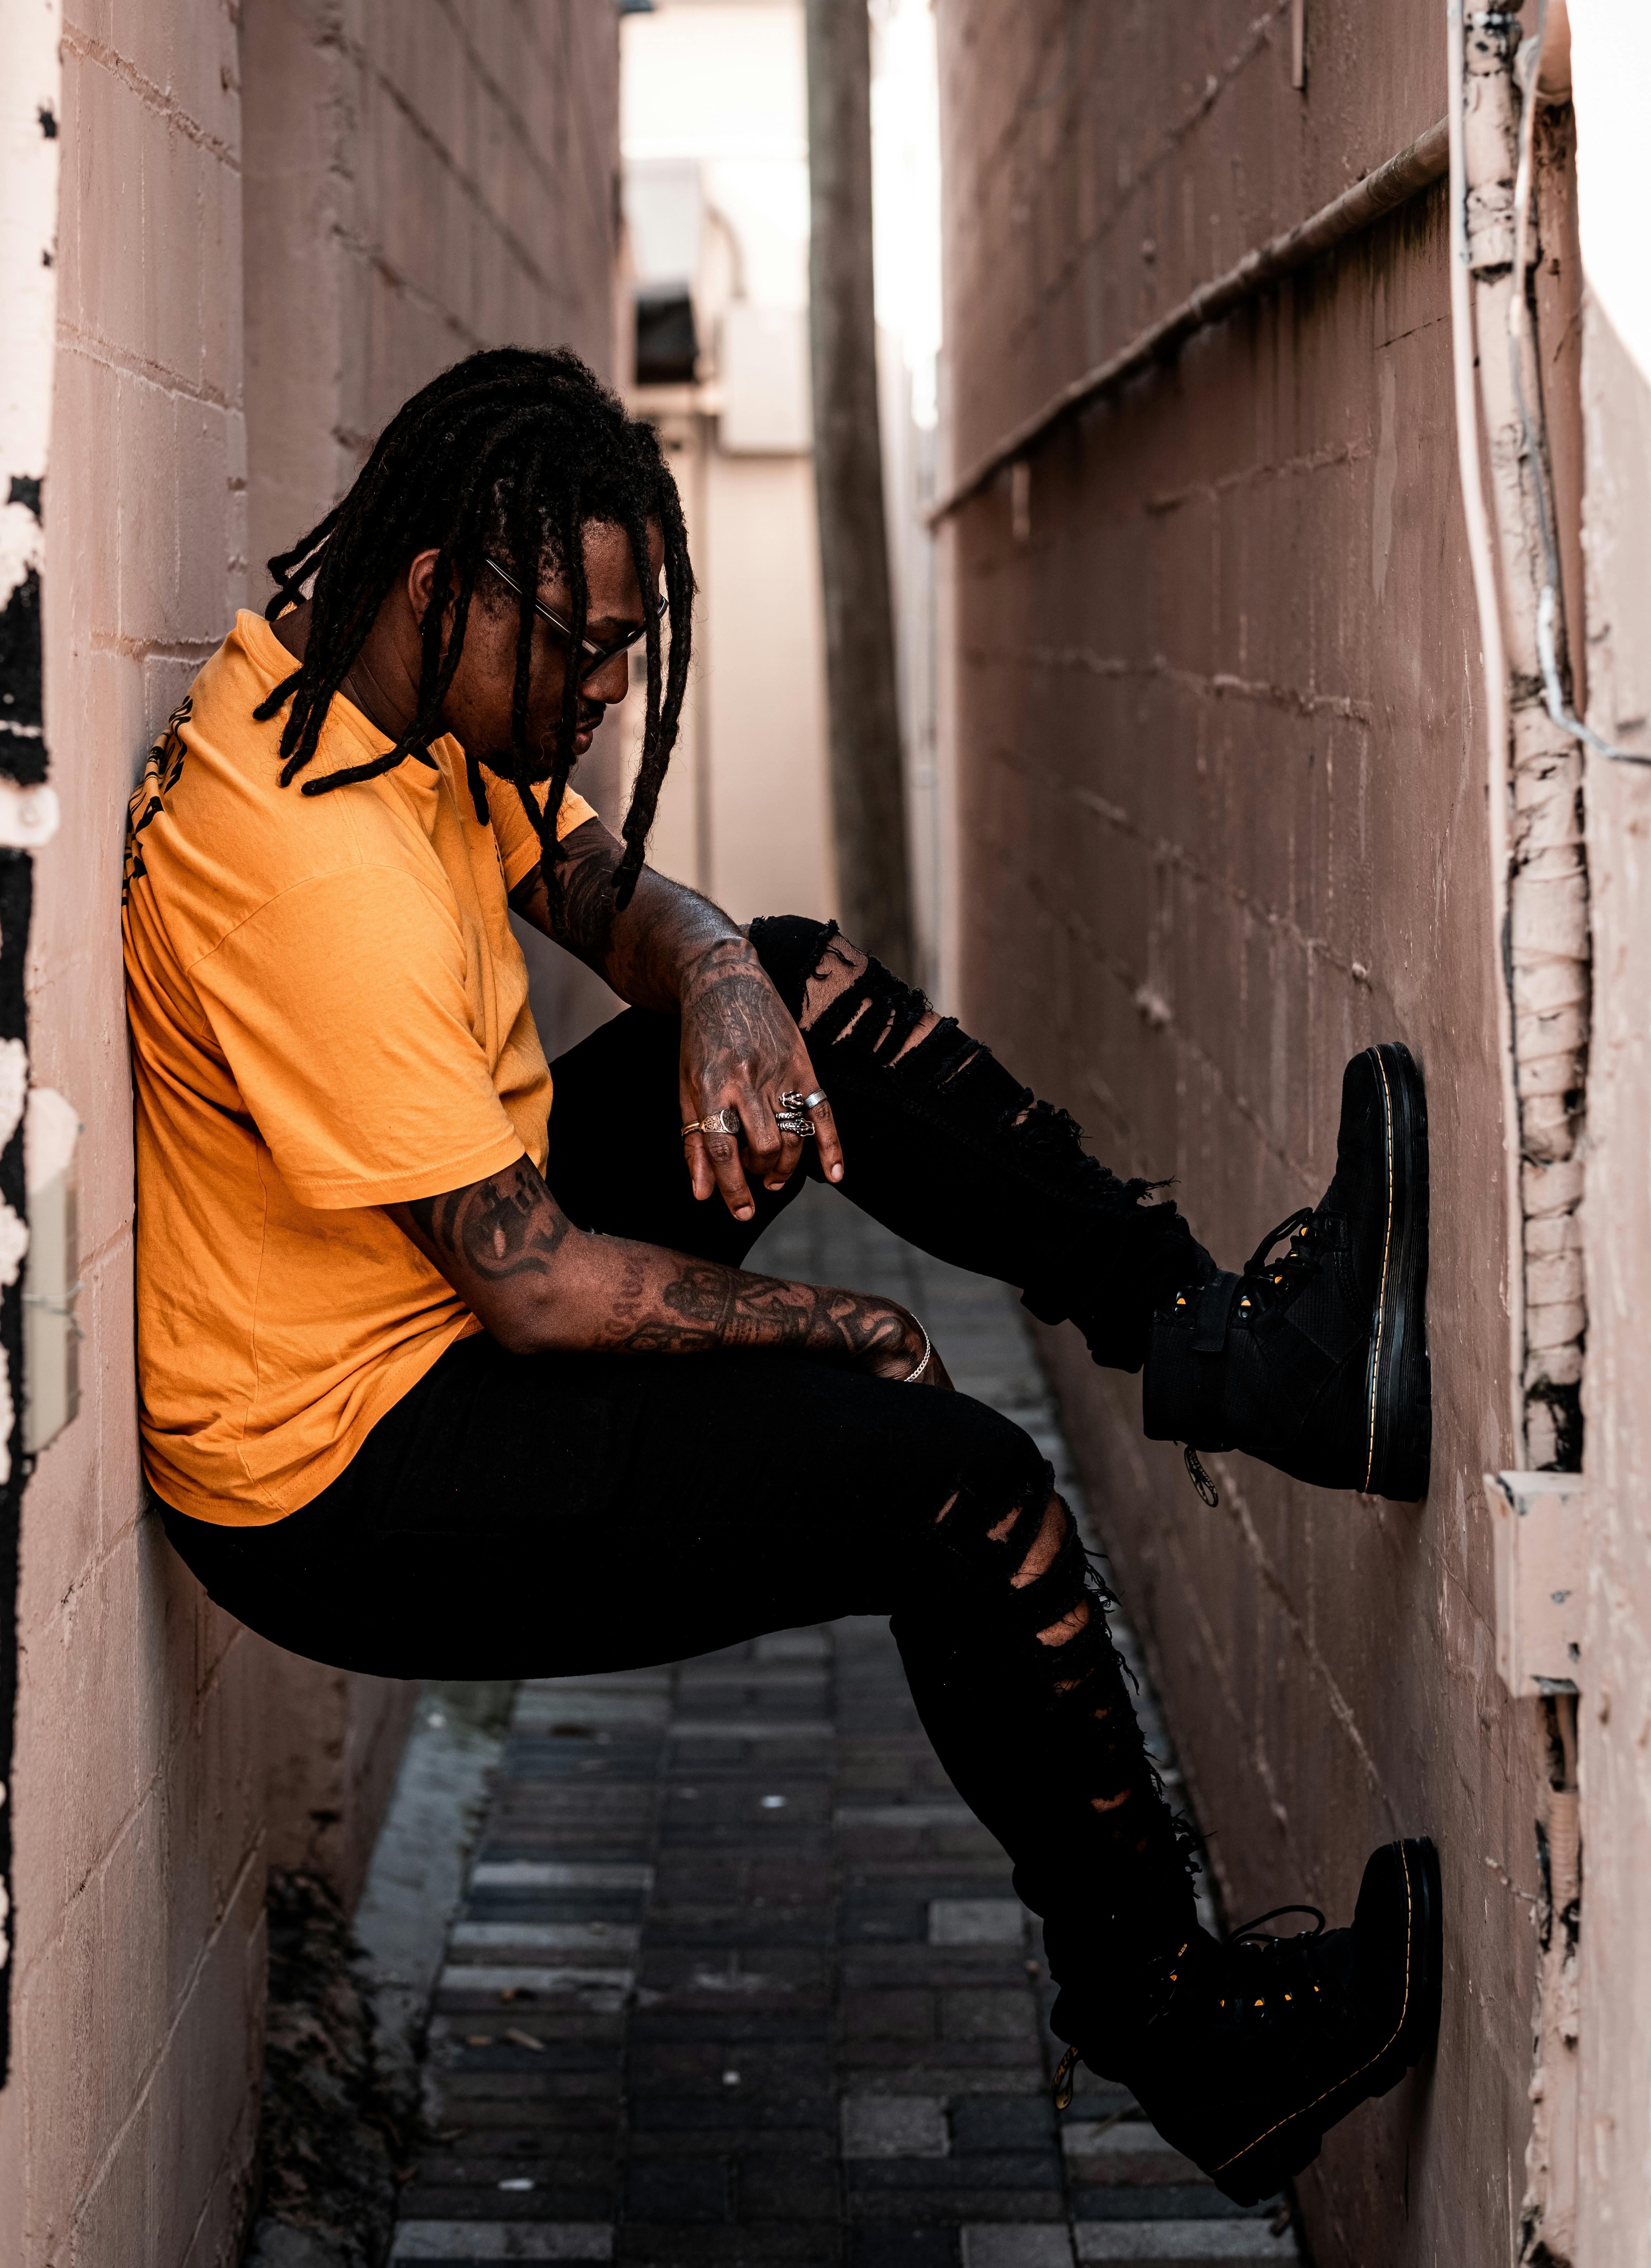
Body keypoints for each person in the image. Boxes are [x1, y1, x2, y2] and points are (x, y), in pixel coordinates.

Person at [123, 345, 1439, 2207]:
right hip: (348, 1474)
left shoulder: (379, 709)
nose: (599, 697)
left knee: (810, 988)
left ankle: (1228, 1345)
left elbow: (607, 901)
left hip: (427, 1313)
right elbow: (541, 1291)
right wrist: (847, 1324)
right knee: (965, 1494)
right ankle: (1188, 2030)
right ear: (442, 591)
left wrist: (728, 964)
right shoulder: (304, 865)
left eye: (622, 656)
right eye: (577, 650)